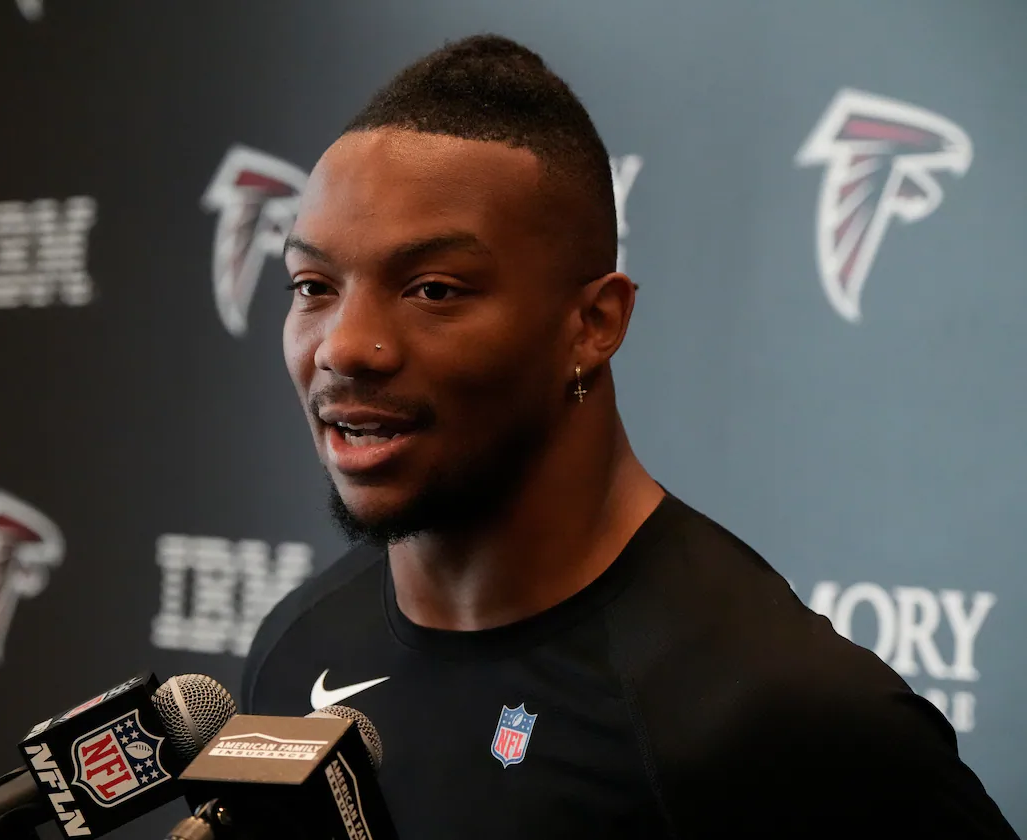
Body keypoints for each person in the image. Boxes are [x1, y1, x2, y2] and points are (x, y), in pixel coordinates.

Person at [241, 34, 1019, 838]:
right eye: (314, 286)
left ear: (594, 324)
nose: (343, 346)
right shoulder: (299, 646)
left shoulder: (782, 714)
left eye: (433, 289)